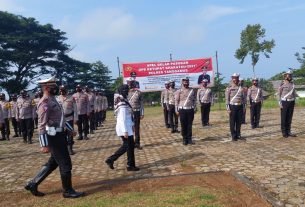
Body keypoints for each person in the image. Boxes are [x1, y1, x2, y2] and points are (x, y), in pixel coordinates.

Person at [25, 76, 84, 198]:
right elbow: (41, 125)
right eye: (54, 86)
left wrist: (69, 130)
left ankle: (33, 183)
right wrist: (44, 144)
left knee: (53, 163)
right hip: (53, 137)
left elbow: (60, 119)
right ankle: (68, 191)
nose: (56, 88)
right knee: (66, 164)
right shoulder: (44, 103)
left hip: (59, 134)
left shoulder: (53, 100)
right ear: (47, 88)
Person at [105, 84, 140, 171]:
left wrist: (131, 126)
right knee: (128, 146)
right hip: (124, 128)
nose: (128, 92)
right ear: (123, 91)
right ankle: (112, 159)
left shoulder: (122, 100)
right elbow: (122, 118)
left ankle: (129, 165)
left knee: (129, 146)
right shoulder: (122, 103)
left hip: (126, 127)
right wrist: (125, 131)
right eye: (127, 90)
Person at [57, 85, 78, 155]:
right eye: (60, 90)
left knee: (70, 134)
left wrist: (75, 118)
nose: (61, 91)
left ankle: (70, 148)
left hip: (69, 118)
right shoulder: (57, 99)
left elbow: (75, 109)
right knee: (61, 134)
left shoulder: (71, 98)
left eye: (63, 90)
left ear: (66, 90)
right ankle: (63, 148)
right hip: (60, 120)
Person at [225, 73, 246, 141]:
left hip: (240, 106)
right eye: (234, 78)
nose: (235, 79)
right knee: (232, 121)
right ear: (232, 78)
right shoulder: (229, 88)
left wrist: (244, 107)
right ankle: (233, 135)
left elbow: (243, 99)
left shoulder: (241, 88)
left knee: (239, 121)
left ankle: (238, 134)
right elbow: (227, 99)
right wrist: (228, 108)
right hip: (232, 106)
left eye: (236, 78)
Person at [175, 77, 196, 145]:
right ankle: (184, 139)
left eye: (187, 82)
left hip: (190, 109)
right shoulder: (179, 91)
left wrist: (195, 108)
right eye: (184, 82)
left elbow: (194, 100)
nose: (186, 83)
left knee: (189, 125)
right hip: (182, 109)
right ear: (182, 82)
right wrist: (176, 110)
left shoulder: (192, 90)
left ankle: (189, 139)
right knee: (183, 125)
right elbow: (176, 101)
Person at [278, 70, 297, 138]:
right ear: (285, 76)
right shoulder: (282, 84)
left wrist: (295, 101)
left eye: (290, 75)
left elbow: (294, 93)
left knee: (289, 117)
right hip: (284, 102)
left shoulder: (293, 84)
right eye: (288, 75)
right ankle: (284, 132)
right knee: (284, 118)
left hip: (291, 102)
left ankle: (289, 131)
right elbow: (279, 94)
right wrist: (279, 103)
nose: (289, 76)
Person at [128, 79, 144, 149]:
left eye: (131, 83)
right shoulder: (126, 93)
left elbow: (141, 104)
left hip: (137, 111)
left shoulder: (138, 92)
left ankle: (137, 143)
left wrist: (142, 113)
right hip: (128, 113)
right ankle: (130, 143)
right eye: (129, 83)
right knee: (130, 128)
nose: (130, 85)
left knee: (136, 128)